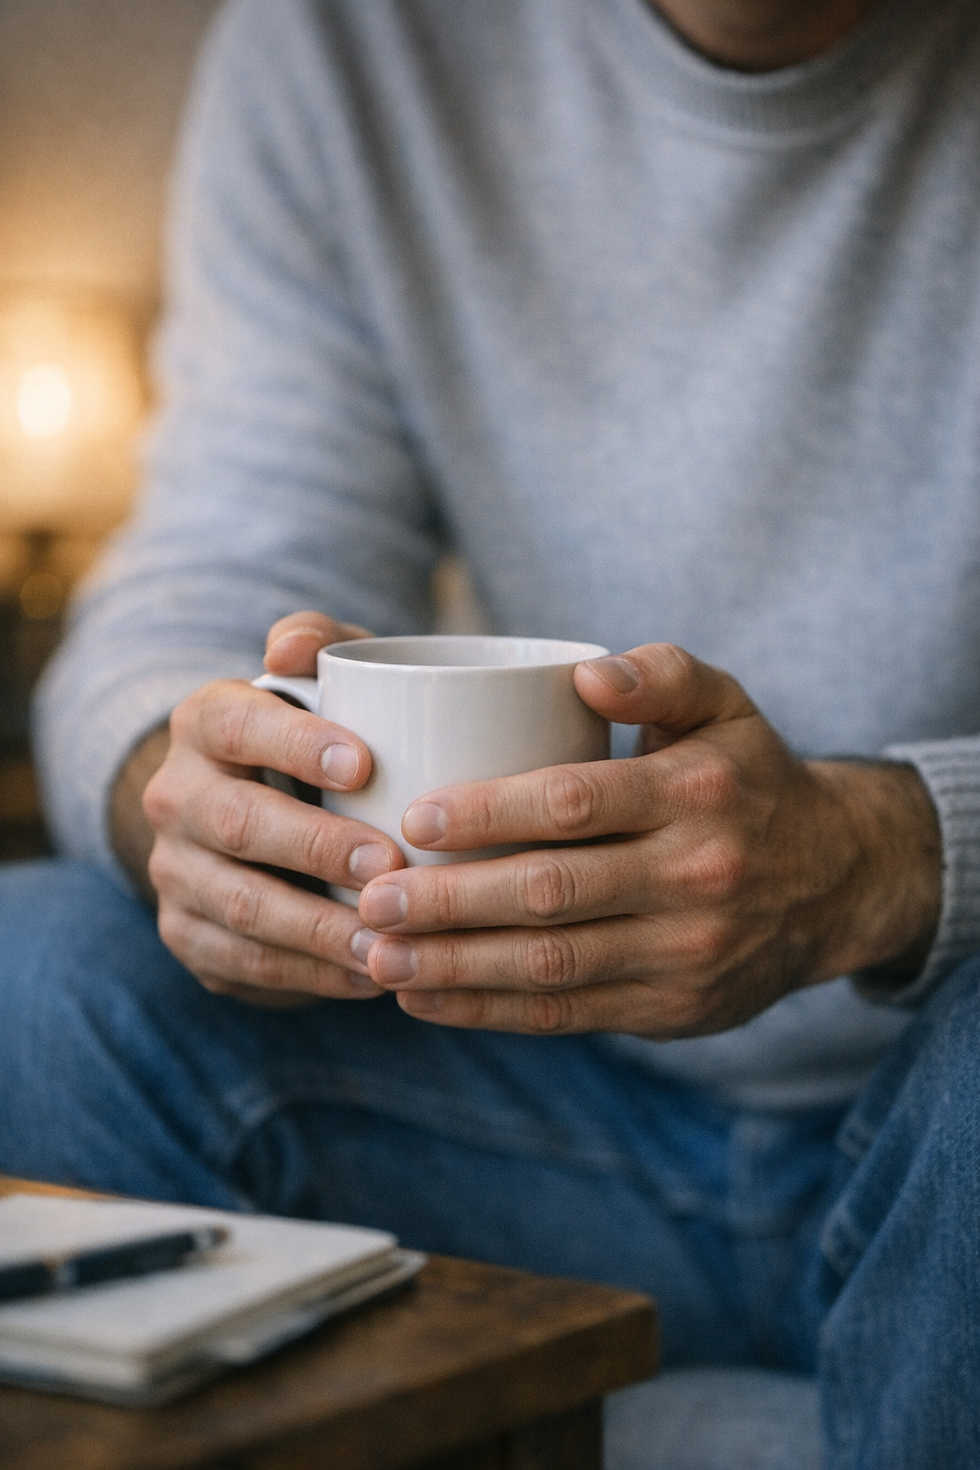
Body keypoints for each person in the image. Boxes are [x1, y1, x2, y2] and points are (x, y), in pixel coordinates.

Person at [2, 0, 979, 1462]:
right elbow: (217, 560)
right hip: (537, 1109)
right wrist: (183, 794)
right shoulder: (349, 41)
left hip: (944, 1100)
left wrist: (895, 850)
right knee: (39, 968)